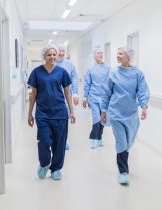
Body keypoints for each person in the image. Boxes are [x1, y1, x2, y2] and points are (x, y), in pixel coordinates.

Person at [101, 47, 150, 185]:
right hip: (116, 112)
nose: (117, 56)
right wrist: (104, 110)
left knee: (129, 142)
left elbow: (142, 91)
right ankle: (123, 171)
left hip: (131, 114)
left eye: (120, 54)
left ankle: (122, 162)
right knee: (121, 141)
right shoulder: (113, 73)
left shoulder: (138, 74)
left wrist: (144, 106)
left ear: (128, 56)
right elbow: (106, 93)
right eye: (117, 53)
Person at [27, 44, 76, 181]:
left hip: (60, 112)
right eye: (49, 55)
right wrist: (30, 113)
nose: (52, 57)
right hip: (42, 113)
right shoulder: (36, 72)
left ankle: (56, 169)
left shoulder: (62, 72)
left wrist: (72, 111)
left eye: (54, 54)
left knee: (59, 143)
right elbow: (33, 94)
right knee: (44, 140)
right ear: (44, 56)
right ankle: (44, 163)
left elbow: (67, 92)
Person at [82, 46, 110, 149]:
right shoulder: (90, 69)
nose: (101, 54)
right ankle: (93, 139)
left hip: (104, 97)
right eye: (98, 53)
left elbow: (109, 83)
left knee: (103, 119)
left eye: (102, 53)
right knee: (96, 118)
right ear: (94, 56)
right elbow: (87, 84)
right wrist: (85, 97)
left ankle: (99, 138)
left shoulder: (107, 68)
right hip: (93, 96)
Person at [56, 44, 79, 150]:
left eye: (63, 51)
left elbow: (74, 79)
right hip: (53, 97)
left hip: (66, 96)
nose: (61, 53)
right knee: (55, 120)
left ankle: (63, 140)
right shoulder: (51, 63)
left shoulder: (70, 64)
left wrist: (75, 93)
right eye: (59, 51)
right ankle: (56, 139)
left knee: (64, 119)